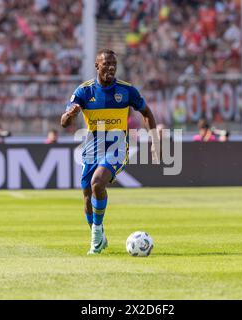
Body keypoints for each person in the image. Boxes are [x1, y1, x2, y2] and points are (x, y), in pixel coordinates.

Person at [60, 49, 159, 255]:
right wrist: (70, 114)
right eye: (106, 64)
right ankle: (100, 235)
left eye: (114, 64)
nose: (111, 67)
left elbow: (146, 112)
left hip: (117, 147)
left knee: (98, 182)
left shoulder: (127, 91)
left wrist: (154, 139)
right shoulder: (84, 92)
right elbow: (64, 122)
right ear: (97, 66)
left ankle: (95, 236)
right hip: (92, 148)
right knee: (87, 194)